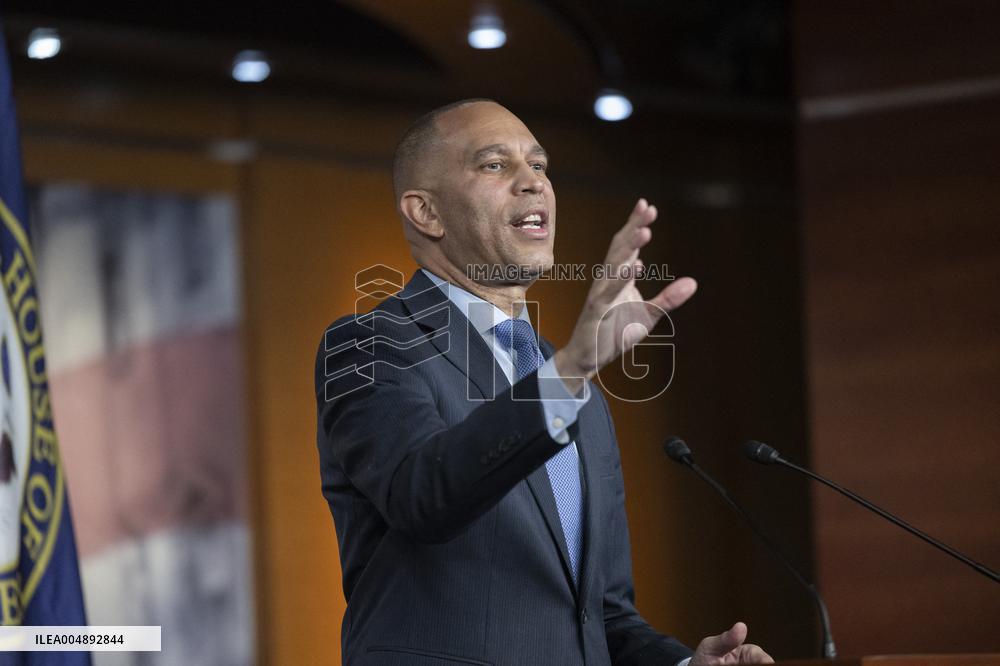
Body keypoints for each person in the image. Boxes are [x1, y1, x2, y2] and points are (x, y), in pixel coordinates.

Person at [315, 99, 773, 666]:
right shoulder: (368, 345)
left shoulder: (573, 386)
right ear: (426, 212)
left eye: (539, 165)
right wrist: (573, 370)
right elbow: (424, 496)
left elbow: (601, 614)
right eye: (494, 165)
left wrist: (683, 664)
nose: (533, 182)